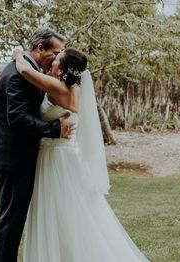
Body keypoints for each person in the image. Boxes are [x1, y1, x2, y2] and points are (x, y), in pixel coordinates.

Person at [12, 46, 149, 262]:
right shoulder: (75, 89)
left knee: (56, 214)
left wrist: (18, 54)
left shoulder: (58, 88)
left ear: (61, 70)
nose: (54, 60)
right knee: (72, 213)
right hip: (66, 155)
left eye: (57, 59)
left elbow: (26, 72)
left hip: (54, 158)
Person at [0, 28, 76, 262]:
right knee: (12, 220)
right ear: (40, 48)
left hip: (16, 155)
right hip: (13, 158)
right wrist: (56, 129)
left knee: (14, 218)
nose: (57, 56)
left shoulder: (27, 70)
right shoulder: (18, 75)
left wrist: (19, 54)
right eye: (55, 51)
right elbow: (19, 119)